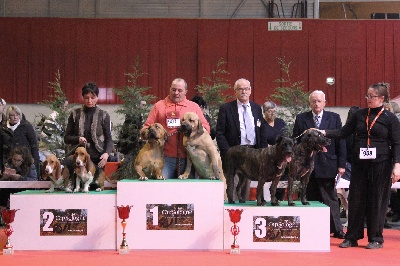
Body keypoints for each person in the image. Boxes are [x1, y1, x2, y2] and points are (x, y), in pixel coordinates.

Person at [320, 83, 400, 249]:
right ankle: (352, 236)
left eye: (372, 96)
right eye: (367, 96)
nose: (368, 99)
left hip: (381, 164)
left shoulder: (390, 119)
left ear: (382, 99)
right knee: (356, 199)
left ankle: (376, 238)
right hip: (360, 164)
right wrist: (324, 132)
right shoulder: (359, 115)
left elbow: (397, 143)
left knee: (377, 200)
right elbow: (343, 132)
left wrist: (397, 166)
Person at [292, 90, 346, 239]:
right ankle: (313, 229)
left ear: (324, 103)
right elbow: (295, 141)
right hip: (307, 165)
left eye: (319, 101)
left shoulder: (334, 118)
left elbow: (341, 141)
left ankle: (337, 229)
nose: (316, 104)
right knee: (310, 197)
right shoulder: (301, 119)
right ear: (309, 103)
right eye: (313, 101)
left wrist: (342, 164)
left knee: (331, 198)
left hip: (328, 163)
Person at [140, 78, 210, 179]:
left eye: (180, 90)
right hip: (164, 157)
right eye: (173, 89)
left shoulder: (194, 107)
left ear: (186, 92)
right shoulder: (159, 106)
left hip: (189, 158)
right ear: (169, 89)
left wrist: (193, 132)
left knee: (187, 191)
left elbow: (206, 128)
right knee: (162, 188)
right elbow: (146, 128)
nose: (176, 93)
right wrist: (150, 134)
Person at [216, 78, 268, 200]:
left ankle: (243, 211)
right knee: (232, 184)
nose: (243, 91)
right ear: (235, 92)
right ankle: (231, 210)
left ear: (250, 91)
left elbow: (261, 132)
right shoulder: (226, 108)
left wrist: (264, 152)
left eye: (246, 89)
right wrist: (227, 152)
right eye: (240, 89)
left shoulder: (256, 108)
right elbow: (219, 133)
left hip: (253, 153)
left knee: (245, 185)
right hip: (234, 152)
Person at [64, 82, 114, 169]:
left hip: (98, 157)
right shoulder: (75, 114)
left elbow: (109, 138)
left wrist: (106, 154)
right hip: (79, 158)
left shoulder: (104, 115)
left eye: (92, 98)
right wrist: (78, 139)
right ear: (83, 98)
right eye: (86, 98)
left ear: (97, 98)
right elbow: (66, 138)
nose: (89, 101)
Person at [0, 105, 40, 171]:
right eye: (12, 115)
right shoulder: (3, 128)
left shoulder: (26, 126)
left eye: (17, 115)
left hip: (24, 162)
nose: (15, 117)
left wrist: (35, 162)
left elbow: (34, 145)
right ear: (8, 116)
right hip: (7, 162)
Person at [262, 100, 287, 201]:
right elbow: (261, 141)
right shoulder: (261, 124)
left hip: (281, 156)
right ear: (264, 112)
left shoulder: (281, 122)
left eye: (274, 111)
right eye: (269, 111)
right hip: (267, 156)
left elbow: (285, 138)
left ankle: (279, 199)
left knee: (282, 178)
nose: (272, 113)